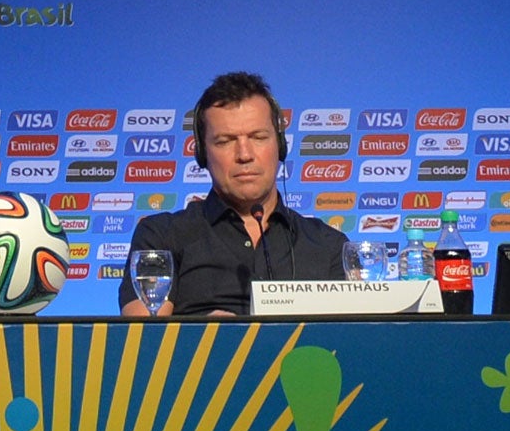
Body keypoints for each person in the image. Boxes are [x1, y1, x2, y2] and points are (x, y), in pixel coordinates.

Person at [120, 71, 349, 318]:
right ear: (202, 153)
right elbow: (142, 338)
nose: (244, 154)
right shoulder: (162, 236)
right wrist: (204, 335)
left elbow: (354, 343)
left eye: (258, 137)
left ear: (280, 146)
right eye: (225, 141)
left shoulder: (329, 246)